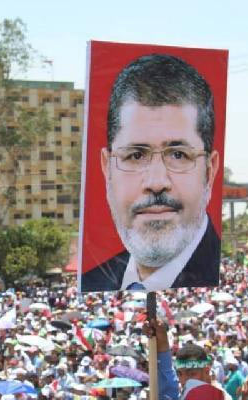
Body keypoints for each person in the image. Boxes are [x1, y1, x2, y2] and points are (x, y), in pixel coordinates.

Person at [81, 53, 220, 292]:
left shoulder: (223, 276)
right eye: (136, 155)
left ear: (209, 171)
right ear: (107, 169)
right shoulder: (93, 281)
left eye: (178, 155)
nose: (156, 182)